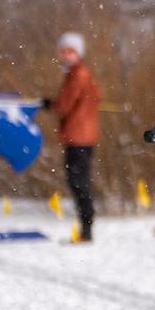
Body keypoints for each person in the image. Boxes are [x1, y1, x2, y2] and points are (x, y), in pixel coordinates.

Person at [44, 32, 101, 243]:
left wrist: (48, 104)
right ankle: (86, 227)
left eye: (70, 51)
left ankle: (86, 228)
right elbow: (96, 95)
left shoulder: (78, 74)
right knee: (78, 180)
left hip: (79, 136)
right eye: (63, 51)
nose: (66, 56)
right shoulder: (80, 73)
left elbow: (64, 105)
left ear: (78, 53)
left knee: (78, 181)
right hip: (82, 136)